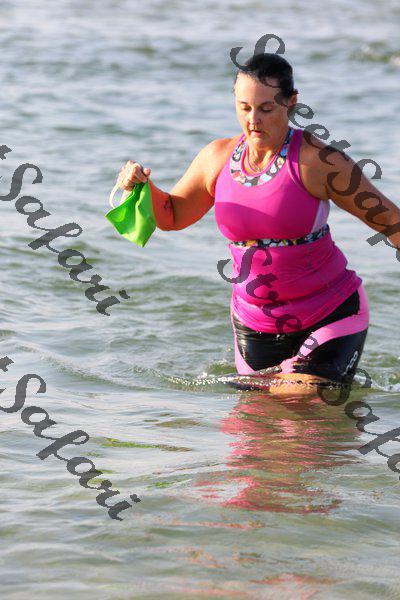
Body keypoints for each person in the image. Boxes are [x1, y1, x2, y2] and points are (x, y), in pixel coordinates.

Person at [116, 53, 400, 392]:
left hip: (330, 313)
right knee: (257, 422)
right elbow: (173, 216)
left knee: (302, 398)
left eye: (266, 109)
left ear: (291, 102)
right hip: (254, 324)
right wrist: (141, 186)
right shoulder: (217, 158)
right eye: (244, 108)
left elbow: (389, 221)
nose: (253, 120)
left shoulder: (319, 161)